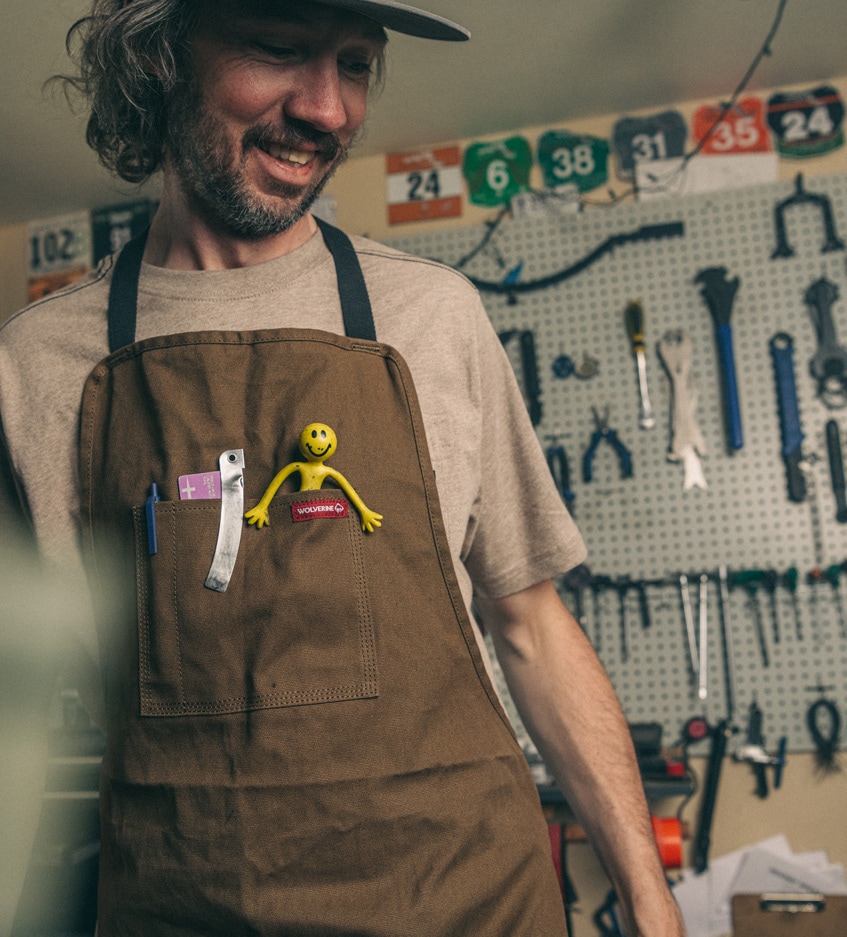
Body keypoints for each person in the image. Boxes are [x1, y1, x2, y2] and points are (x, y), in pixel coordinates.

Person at [0, 0, 686, 934]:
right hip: (186, 900)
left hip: (468, 900)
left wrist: (652, 904)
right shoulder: (37, 366)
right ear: (161, 61)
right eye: (280, 49)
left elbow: (531, 625)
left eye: (356, 64)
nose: (329, 109)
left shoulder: (435, 316)